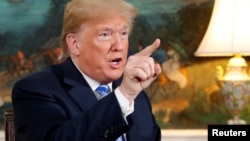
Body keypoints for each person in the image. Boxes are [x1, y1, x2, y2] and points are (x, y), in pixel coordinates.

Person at [12, 0, 162, 141]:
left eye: (123, 34)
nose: (119, 46)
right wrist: (123, 96)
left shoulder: (135, 93)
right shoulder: (34, 90)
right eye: (105, 35)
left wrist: (127, 94)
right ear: (75, 44)